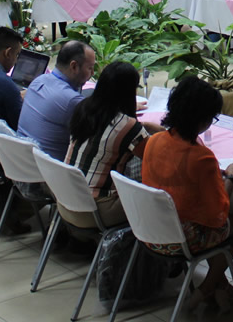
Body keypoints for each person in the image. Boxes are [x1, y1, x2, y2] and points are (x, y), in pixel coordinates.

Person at [142, 77, 233, 312]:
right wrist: (231, 178)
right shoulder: (202, 158)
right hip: (179, 239)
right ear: (203, 120)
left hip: (148, 229)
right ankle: (208, 287)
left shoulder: (154, 141)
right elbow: (218, 215)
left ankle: (221, 288)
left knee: (209, 227)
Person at [63, 61, 165, 230]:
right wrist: (163, 134)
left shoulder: (84, 108)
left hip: (65, 201)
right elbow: (155, 158)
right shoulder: (127, 125)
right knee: (157, 196)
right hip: (96, 211)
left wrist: (143, 126)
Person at [18, 41, 95, 160]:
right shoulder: (72, 100)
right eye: (90, 68)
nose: (93, 73)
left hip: (23, 162)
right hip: (49, 172)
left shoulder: (39, 80)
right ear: (74, 66)